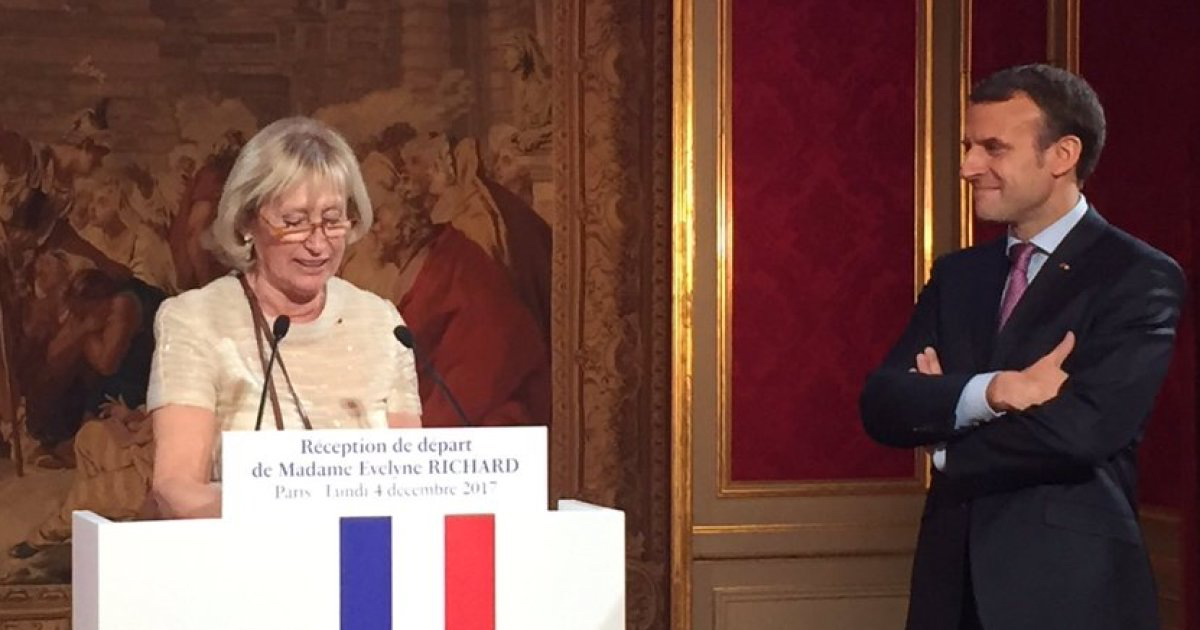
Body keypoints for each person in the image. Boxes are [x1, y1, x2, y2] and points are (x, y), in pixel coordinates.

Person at [859, 64, 1182, 630]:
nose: (968, 166)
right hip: (949, 591)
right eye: (968, 146)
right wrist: (997, 391)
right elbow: (883, 403)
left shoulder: (1138, 276)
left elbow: (1083, 431)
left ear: (1062, 155)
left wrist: (946, 441)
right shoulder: (958, 275)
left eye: (993, 148)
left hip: (1068, 594)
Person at [148, 116, 422, 519]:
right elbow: (176, 487)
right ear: (247, 222)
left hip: (365, 552)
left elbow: (413, 481)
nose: (318, 244)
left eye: (333, 221)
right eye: (294, 223)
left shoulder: (382, 324)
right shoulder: (196, 320)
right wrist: (285, 518)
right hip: (249, 551)